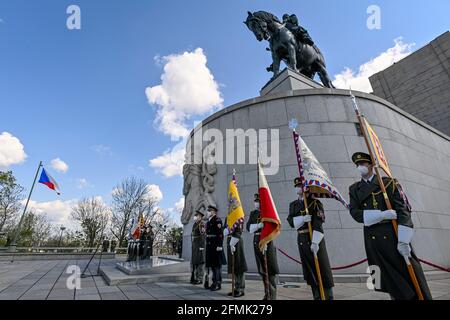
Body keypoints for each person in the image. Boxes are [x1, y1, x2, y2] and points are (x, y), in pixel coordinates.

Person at [349, 152, 432, 300]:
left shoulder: (388, 183)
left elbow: (403, 210)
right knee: (389, 281)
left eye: (363, 164)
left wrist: (404, 240)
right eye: (357, 165)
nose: (360, 167)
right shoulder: (354, 189)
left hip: (394, 235)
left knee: (410, 278)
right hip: (373, 239)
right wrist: (381, 215)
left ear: (372, 165)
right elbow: (355, 213)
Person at [287, 177, 334, 300]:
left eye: (300, 186)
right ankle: (317, 297)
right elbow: (290, 221)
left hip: (314, 238)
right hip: (302, 239)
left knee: (322, 270)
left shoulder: (315, 203)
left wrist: (315, 241)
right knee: (311, 272)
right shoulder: (293, 205)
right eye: (296, 186)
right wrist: (302, 219)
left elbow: (319, 221)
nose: (298, 188)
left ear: (306, 188)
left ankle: (328, 297)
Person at [246, 193, 279, 300]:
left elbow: (273, 226)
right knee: (262, 270)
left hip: (267, 242)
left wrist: (266, 240)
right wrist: (258, 226)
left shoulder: (268, 212)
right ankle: (267, 294)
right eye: (255, 201)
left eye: (258, 201)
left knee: (270, 270)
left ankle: (272, 296)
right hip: (256, 241)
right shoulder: (253, 213)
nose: (256, 203)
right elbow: (248, 227)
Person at [224, 215, 248, 297]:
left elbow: (239, 230)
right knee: (233, 266)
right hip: (229, 239)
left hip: (236, 240)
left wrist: (233, 243)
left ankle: (241, 288)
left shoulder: (238, 215)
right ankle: (236, 288)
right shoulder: (228, 217)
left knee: (239, 265)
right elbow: (225, 228)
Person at [205, 205, 226, 291]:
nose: (208, 212)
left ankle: (217, 283)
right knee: (212, 265)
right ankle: (214, 282)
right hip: (210, 245)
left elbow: (220, 234)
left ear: (214, 212)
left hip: (216, 245)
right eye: (208, 210)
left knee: (217, 266)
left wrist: (220, 245)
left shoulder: (217, 220)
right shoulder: (209, 221)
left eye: (209, 210)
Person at [191, 210, 206, 285]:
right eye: (195, 215)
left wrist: (202, 246)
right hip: (195, 245)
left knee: (200, 262)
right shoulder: (195, 224)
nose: (195, 217)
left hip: (200, 245)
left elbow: (203, 235)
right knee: (196, 261)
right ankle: (196, 277)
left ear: (200, 217)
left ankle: (200, 278)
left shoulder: (201, 224)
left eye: (196, 216)